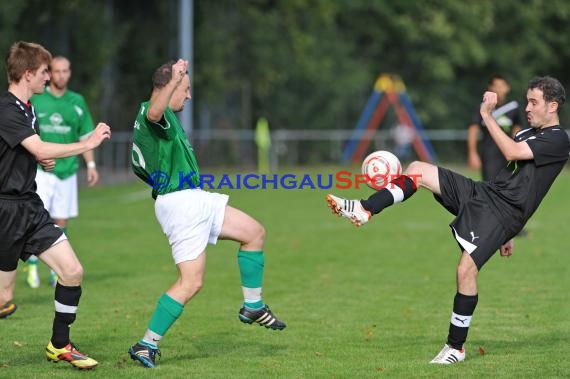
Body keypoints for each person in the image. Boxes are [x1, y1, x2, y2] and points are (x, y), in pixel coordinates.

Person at [326, 76, 568, 364]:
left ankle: (456, 347)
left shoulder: (558, 139)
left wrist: (486, 115)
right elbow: (512, 176)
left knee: (465, 271)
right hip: (486, 194)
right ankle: (364, 209)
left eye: (533, 102)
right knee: (417, 169)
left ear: (552, 106)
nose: (527, 107)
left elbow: (512, 153)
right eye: (527, 100)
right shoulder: (527, 131)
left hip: (503, 213)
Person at [127, 59, 286, 369]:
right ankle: (146, 344)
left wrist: (177, 80)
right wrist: (175, 78)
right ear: (167, 86)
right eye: (184, 89)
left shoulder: (166, 117)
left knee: (254, 232)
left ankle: (252, 305)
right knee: (190, 283)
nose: (188, 96)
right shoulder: (153, 113)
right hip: (180, 203)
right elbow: (154, 113)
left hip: (193, 198)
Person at [0, 41, 111, 369]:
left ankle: (59, 345)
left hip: (29, 207)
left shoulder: (28, 107)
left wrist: (36, 160)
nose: (49, 77)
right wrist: (85, 143)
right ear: (27, 73)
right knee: (4, 299)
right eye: (45, 71)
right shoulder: (6, 108)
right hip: (4, 212)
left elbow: (29, 150)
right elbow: (41, 148)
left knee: (72, 271)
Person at [24, 56, 99, 289]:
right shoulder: (38, 99)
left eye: (65, 71)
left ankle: (55, 271)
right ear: (50, 73)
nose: (60, 75)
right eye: (56, 71)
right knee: (37, 218)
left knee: (61, 220)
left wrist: (91, 165)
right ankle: (32, 267)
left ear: (70, 72)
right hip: (43, 171)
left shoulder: (77, 101)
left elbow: (85, 135)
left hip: (67, 171)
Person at [467, 74, 522, 181]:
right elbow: (473, 130)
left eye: (502, 86)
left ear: (507, 88)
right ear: (490, 88)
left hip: (508, 154)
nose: (499, 89)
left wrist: (518, 149)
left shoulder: (513, 107)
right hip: (489, 155)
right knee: (490, 187)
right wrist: (472, 153)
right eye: (496, 86)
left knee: (508, 187)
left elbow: (517, 129)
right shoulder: (483, 108)